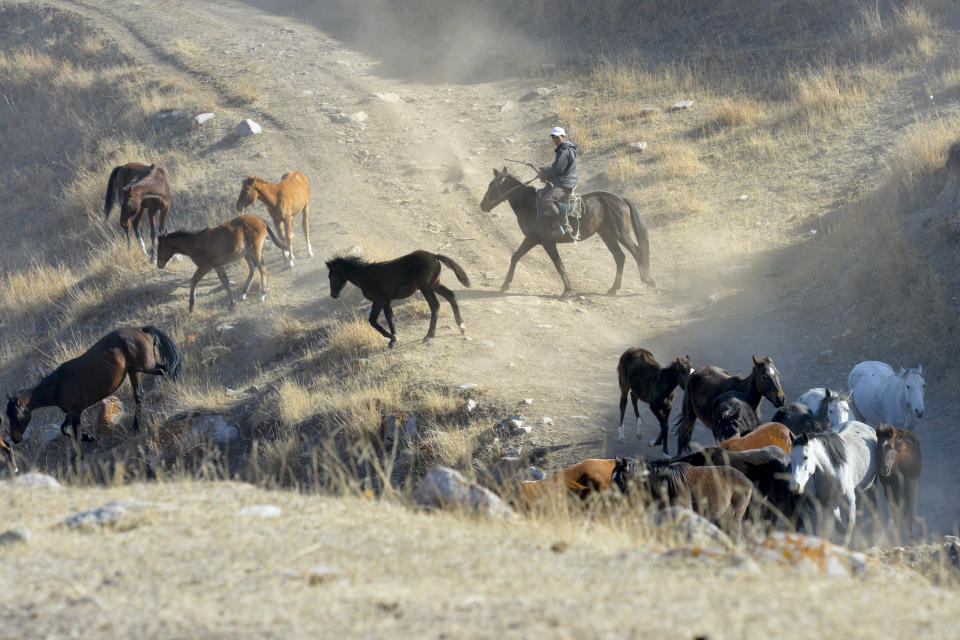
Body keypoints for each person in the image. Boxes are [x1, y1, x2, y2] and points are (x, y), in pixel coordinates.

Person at [538, 126, 578, 238]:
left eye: (557, 137)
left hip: (565, 183)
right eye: (553, 138)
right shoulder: (565, 149)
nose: (555, 140)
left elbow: (557, 170)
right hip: (566, 180)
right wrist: (547, 171)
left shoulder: (564, 150)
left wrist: (544, 174)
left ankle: (564, 226)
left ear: (563, 137)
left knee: (547, 200)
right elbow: (558, 168)